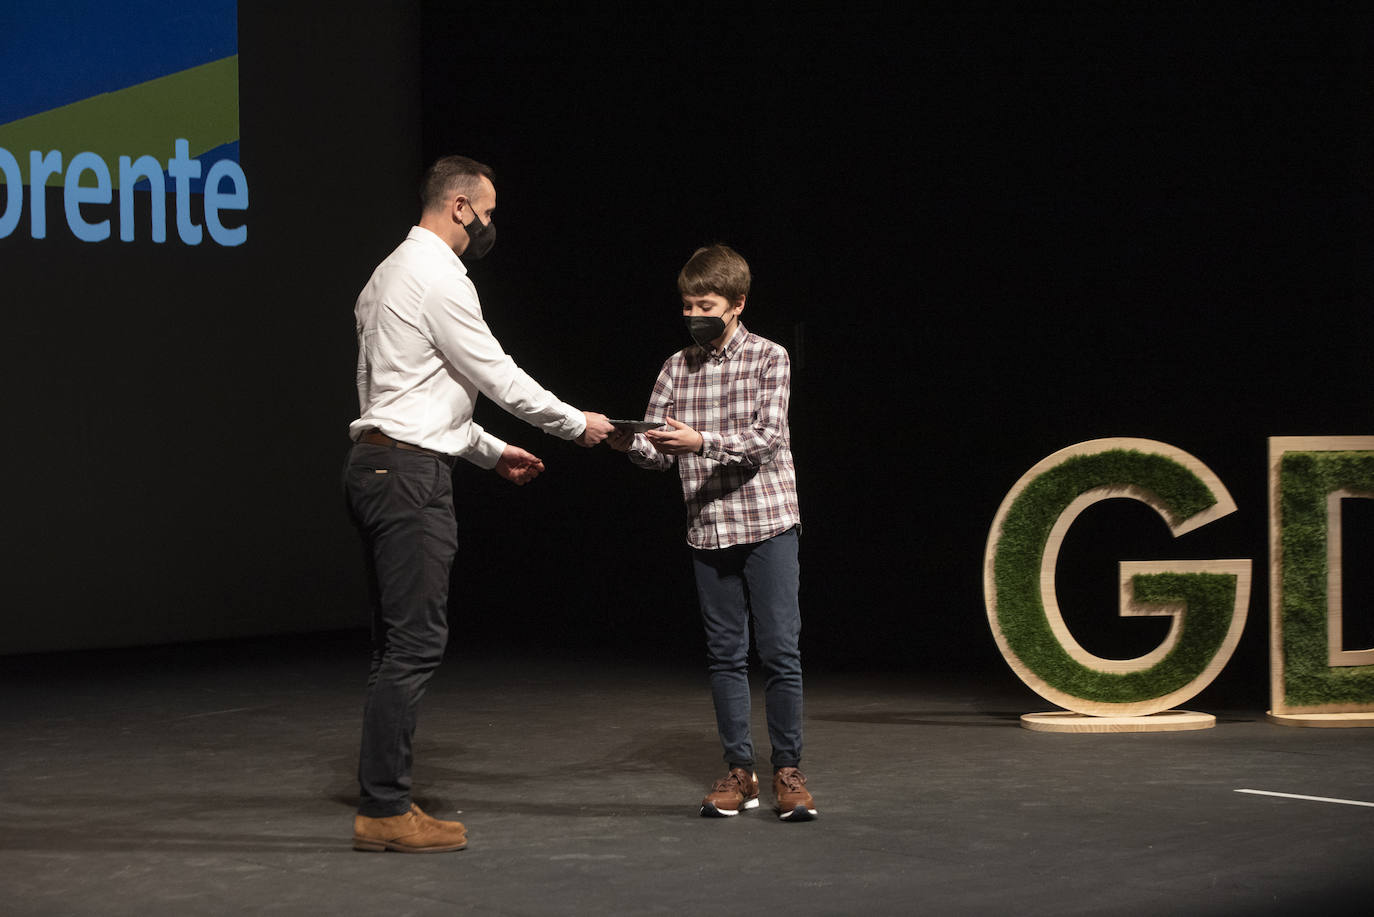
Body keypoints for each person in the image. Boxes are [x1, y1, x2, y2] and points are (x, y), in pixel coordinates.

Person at [343, 155, 615, 853]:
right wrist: (571, 422)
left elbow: (410, 397)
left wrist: (494, 453)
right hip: (409, 476)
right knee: (416, 642)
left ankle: (384, 799)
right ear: (460, 206)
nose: (489, 224)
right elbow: (495, 373)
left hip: (375, 464)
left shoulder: (384, 276)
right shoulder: (438, 276)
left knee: (393, 646)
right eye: (487, 212)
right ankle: (384, 808)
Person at [608, 244, 816, 821]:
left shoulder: (769, 358)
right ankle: (739, 772)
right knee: (725, 655)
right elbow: (656, 455)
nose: (694, 314)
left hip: (768, 521)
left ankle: (788, 772)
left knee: (779, 650)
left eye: (706, 304)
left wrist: (701, 442)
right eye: (687, 305)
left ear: (737, 303)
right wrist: (630, 440)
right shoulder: (676, 368)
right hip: (708, 526)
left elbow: (767, 440)